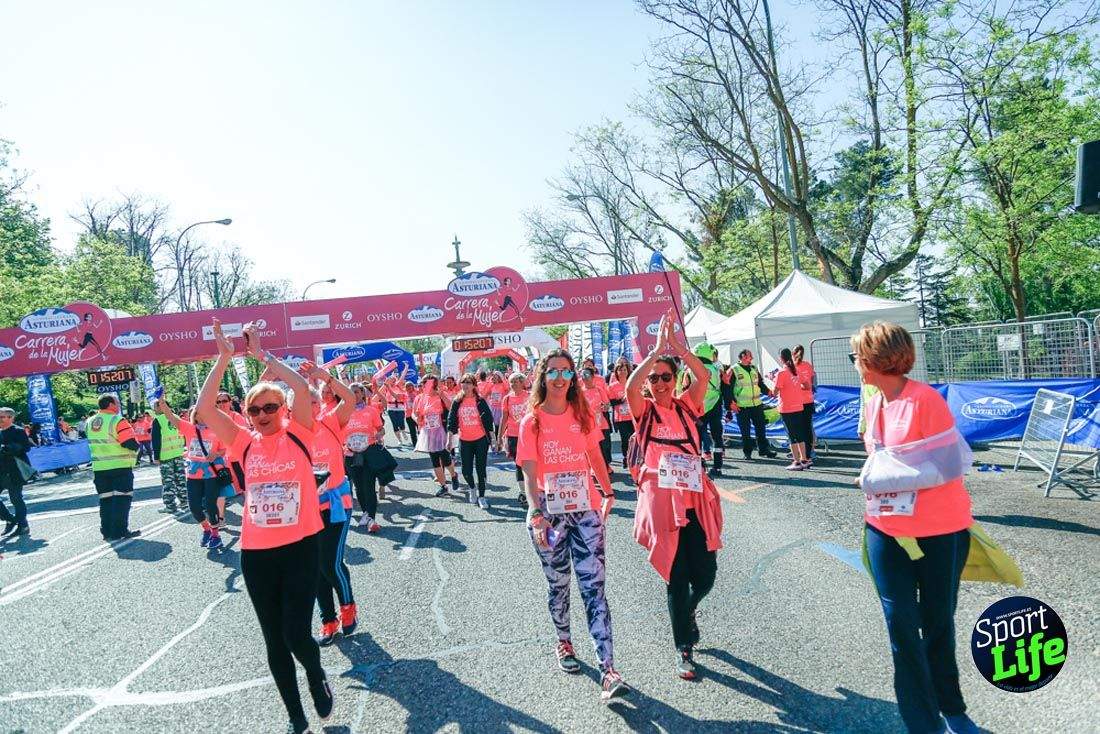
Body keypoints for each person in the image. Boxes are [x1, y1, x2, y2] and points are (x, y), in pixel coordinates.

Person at [196, 319, 333, 734]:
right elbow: (204, 409)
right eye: (255, 410)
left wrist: (263, 356)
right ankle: (295, 716)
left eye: (270, 407)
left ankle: (314, 672)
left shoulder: (302, 434)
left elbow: (304, 389)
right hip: (256, 553)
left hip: (301, 545)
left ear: (285, 410)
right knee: (273, 640)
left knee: (296, 633)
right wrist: (223, 358)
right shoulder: (242, 440)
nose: (261, 415)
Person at [852, 322, 980, 734]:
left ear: (875, 360)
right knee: (901, 626)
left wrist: (877, 480)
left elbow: (945, 467)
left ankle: (952, 707)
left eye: (858, 355)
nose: (855, 362)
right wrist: (875, 479)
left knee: (937, 621)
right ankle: (923, 724)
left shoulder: (925, 400)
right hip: (884, 528)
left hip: (940, 528)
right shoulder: (873, 403)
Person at [517, 348, 629, 702]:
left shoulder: (583, 414)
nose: (560, 378)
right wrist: (535, 513)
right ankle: (564, 642)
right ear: (542, 377)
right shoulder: (531, 421)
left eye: (566, 371)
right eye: (553, 372)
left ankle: (608, 668)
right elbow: (529, 472)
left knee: (594, 587)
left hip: (586, 512)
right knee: (559, 584)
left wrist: (608, 492)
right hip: (549, 513)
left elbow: (594, 454)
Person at [626, 311, 723, 679]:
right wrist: (653, 353)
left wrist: (678, 348)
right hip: (664, 506)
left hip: (695, 501)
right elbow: (630, 389)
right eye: (655, 378)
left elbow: (704, 375)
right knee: (676, 577)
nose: (660, 383)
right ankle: (684, 646)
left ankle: (689, 608)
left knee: (707, 576)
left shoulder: (686, 405)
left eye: (666, 377)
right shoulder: (644, 411)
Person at [297, 361, 359, 648]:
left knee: (329, 563)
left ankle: (348, 607)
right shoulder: (290, 432)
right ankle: (327, 619)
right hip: (307, 508)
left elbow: (351, 398)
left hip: (336, 502)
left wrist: (325, 377)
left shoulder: (331, 422)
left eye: (313, 400)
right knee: (314, 567)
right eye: (303, 402)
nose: (310, 406)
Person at [158, 401, 228, 549]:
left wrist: (216, 453)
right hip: (193, 474)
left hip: (211, 473)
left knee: (210, 505)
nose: (202, 414)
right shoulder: (189, 429)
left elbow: (224, 449)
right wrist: (162, 402)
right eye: (198, 412)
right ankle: (206, 529)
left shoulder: (218, 429)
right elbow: (171, 417)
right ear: (195, 415)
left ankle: (216, 535)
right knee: (194, 507)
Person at [87, 395, 141, 541]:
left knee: (106, 501)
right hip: (120, 466)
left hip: (100, 468)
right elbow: (128, 442)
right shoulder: (117, 420)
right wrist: (138, 449)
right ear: (111, 404)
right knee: (122, 500)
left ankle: (107, 531)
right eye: (117, 403)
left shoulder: (90, 422)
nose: (118, 405)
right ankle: (119, 531)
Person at [680, 343, 728, 479]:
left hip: (697, 408)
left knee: (697, 438)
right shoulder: (718, 369)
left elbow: (685, 388)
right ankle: (717, 466)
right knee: (717, 437)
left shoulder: (689, 370)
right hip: (715, 407)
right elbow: (724, 386)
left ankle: (698, 467)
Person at [345, 382, 388, 532]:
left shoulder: (371, 411)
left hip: (368, 452)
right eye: (351, 392)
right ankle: (365, 512)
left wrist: (379, 434)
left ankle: (371, 518)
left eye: (357, 392)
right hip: (351, 454)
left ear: (363, 394)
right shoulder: (343, 411)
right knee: (358, 487)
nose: (354, 395)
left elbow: (381, 429)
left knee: (368, 485)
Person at [447, 373, 495, 508]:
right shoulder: (457, 402)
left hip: (480, 440)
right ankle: (472, 488)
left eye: (468, 383)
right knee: (466, 470)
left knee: (481, 469)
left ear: (474, 385)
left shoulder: (480, 401)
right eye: (463, 382)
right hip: (464, 440)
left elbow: (488, 420)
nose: (465, 385)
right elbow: (451, 422)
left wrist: (494, 439)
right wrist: (449, 440)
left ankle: (482, 496)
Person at [413, 376, 460, 497]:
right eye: (424, 383)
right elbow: (416, 414)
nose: (425, 386)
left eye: (427, 383)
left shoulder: (440, 395)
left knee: (445, 458)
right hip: (428, 432)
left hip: (441, 431)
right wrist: (418, 419)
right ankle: (443, 486)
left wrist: (442, 395)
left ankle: (454, 475)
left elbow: (451, 408)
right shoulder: (422, 398)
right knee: (434, 460)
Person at [730, 349, 776, 461]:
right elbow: (729, 388)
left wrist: (769, 392)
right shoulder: (734, 370)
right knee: (745, 431)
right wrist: (731, 403)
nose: (752, 358)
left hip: (757, 404)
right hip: (742, 406)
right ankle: (747, 452)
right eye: (750, 356)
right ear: (743, 356)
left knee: (761, 428)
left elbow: (760, 384)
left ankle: (764, 449)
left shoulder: (754, 368)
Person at [773, 348, 811, 471]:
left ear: (781, 358)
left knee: (791, 435)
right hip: (798, 406)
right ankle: (804, 459)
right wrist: (796, 387)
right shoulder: (796, 371)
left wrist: (772, 379)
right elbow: (807, 386)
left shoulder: (781, 373)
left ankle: (796, 461)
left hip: (786, 407)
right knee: (800, 434)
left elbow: (775, 392)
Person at [498, 372, 530, 507]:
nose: (514, 384)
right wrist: (499, 436)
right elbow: (504, 418)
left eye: (517, 381)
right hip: (513, 435)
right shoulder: (507, 399)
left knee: (530, 463)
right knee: (518, 464)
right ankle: (523, 492)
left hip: (528, 435)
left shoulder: (530, 397)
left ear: (523, 383)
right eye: (512, 382)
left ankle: (534, 490)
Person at [0, 407, 33, 536]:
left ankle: (23, 525)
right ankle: (10, 519)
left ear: (11, 418)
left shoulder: (18, 431)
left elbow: (26, 447)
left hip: (15, 471)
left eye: (2, 417)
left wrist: (8, 448)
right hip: (2, 471)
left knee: (16, 499)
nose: (0, 420)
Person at [152, 401, 188, 513]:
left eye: (155, 407)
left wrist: (156, 456)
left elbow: (156, 440)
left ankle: (170, 506)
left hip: (165, 455)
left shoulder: (158, 420)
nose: (154, 410)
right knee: (181, 480)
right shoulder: (176, 417)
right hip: (178, 453)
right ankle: (184, 503)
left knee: (168, 482)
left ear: (161, 407)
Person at [579, 367, 613, 472]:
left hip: (601, 422)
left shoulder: (599, 389)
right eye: (582, 376)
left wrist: (604, 407)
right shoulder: (580, 392)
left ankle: (606, 467)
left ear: (593, 377)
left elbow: (607, 404)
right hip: (588, 424)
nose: (584, 378)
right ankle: (594, 470)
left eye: (587, 375)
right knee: (591, 449)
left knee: (604, 447)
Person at [607, 361, 635, 470]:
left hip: (633, 416)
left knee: (635, 437)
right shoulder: (613, 386)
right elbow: (611, 403)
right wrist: (622, 400)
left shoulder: (632, 383)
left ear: (628, 371)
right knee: (625, 438)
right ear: (616, 372)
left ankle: (635, 457)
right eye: (620, 370)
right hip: (621, 418)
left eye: (624, 370)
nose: (622, 372)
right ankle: (626, 457)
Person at [792, 345, 816, 458]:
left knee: (797, 428)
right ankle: (810, 452)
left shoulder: (792, 367)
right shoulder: (808, 365)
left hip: (796, 402)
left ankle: (800, 453)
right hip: (809, 401)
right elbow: (812, 382)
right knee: (808, 427)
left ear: (793, 353)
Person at [381, 373, 409, 447]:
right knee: (395, 424)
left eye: (394, 380)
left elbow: (402, 376)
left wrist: (406, 367)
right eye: (391, 380)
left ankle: (403, 431)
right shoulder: (386, 387)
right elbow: (383, 377)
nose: (393, 382)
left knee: (401, 422)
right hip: (391, 407)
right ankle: (399, 440)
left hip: (400, 407)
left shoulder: (398, 386)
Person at [485, 371, 508, 450]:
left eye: (495, 376)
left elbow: (508, 392)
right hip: (493, 408)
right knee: (494, 426)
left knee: (500, 426)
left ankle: (499, 444)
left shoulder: (503, 384)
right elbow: (486, 394)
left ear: (499, 377)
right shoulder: (491, 385)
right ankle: (495, 444)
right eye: (493, 376)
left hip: (501, 408)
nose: (494, 377)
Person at [403, 381, 420, 447]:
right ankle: (415, 445)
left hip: (417, 415)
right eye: (407, 386)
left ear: (413, 387)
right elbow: (396, 396)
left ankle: (421, 444)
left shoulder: (417, 393)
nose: (409, 387)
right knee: (412, 431)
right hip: (409, 416)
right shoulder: (404, 395)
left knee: (420, 430)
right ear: (405, 388)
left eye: (411, 385)